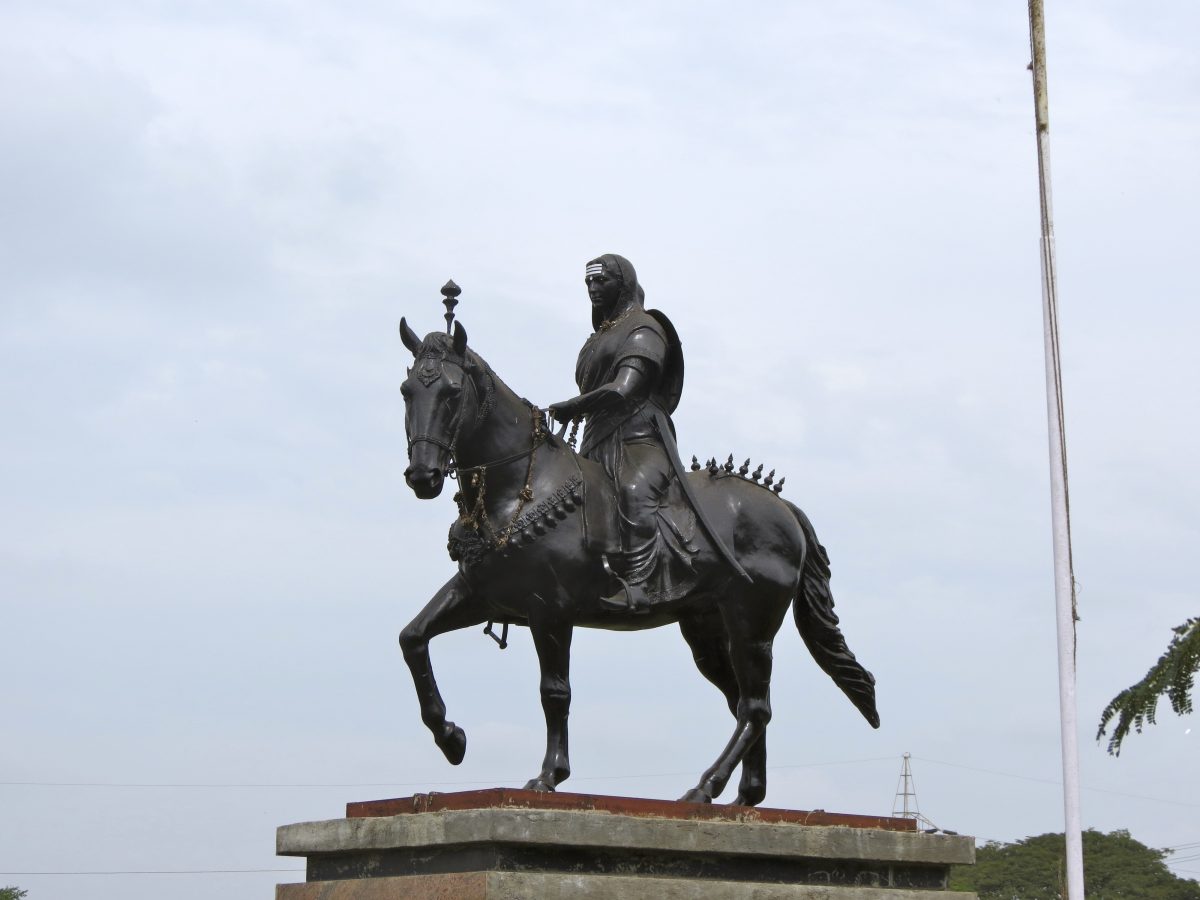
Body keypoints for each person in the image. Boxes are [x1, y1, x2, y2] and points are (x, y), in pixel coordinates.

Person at [549, 254, 696, 612]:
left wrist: (575, 406)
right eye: (588, 283)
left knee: (634, 492)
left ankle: (640, 585)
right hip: (596, 440)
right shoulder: (598, 337)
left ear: (623, 283)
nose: (593, 288)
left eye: (601, 281)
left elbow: (625, 388)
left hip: (639, 439)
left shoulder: (644, 328)